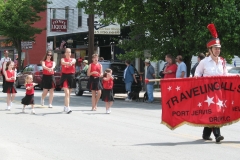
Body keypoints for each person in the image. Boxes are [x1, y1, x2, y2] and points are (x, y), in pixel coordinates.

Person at [195, 23, 226, 143]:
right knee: (215, 111)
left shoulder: (223, 61)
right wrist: (197, 78)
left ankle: (206, 133)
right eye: (215, 48)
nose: (218, 50)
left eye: (219, 48)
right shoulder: (204, 62)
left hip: (219, 91)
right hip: (207, 91)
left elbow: (225, 75)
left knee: (214, 112)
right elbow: (197, 73)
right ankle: (217, 134)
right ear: (210, 49)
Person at [60, 48, 76, 114]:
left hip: (71, 76)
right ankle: (68, 107)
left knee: (68, 94)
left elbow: (73, 62)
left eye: (69, 52)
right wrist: (68, 63)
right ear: (65, 53)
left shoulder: (73, 59)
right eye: (67, 52)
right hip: (64, 76)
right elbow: (63, 63)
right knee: (66, 92)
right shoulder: (62, 59)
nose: (68, 53)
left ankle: (65, 106)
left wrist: (70, 63)